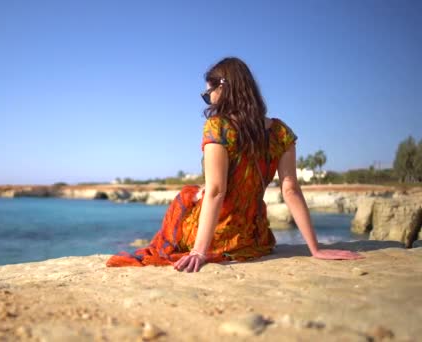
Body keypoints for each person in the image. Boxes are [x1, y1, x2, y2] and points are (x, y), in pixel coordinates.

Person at [106, 57, 364, 272]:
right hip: (254, 238)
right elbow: (291, 190)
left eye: (209, 93)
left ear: (223, 88)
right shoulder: (281, 132)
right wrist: (315, 249)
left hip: (218, 237)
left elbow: (217, 190)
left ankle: (192, 243)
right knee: (197, 193)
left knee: (186, 196)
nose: (210, 100)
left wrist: (199, 251)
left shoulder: (218, 127)